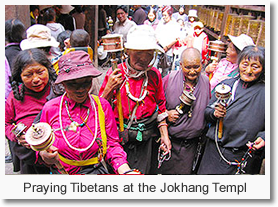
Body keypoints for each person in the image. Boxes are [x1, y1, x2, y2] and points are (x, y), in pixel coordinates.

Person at [38, 51, 138, 175]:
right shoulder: (51, 108)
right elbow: (42, 144)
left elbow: (112, 145)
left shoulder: (102, 106)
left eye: (86, 82)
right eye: (72, 84)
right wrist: (45, 155)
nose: (81, 89)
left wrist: (125, 171)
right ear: (63, 83)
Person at [99, 25, 171, 174]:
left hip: (146, 141)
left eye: (149, 53)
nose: (144, 59)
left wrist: (165, 136)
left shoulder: (154, 75)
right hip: (119, 142)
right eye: (138, 53)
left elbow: (161, 107)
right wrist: (109, 89)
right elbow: (99, 108)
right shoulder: (115, 74)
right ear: (128, 51)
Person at [198, 46, 265, 175]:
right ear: (239, 64)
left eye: (255, 67)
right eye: (245, 64)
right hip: (215, 152)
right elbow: (207, 111)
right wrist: (214, 113)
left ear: (262, 70)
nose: (248, 70)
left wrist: (264, 137)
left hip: (243, 154)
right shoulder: (227, 85)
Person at [154, 48, 210, 174]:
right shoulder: (169, 79)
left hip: (191, 145)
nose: (192, 71)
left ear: (202, 63)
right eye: (188, 67)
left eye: (196, 67)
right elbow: (155, 105)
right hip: (169, 141)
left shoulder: (206, 82)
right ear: (180, 65)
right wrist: (167, 114)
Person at [5, 48, 59, 174]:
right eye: (28, 75)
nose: (36, 79)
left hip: (60, 155)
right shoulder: (15, 97)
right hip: (30, 160)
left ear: (48, 70)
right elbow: (5, 123)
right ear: (20, 76)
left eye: (40, 72)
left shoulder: (58, 92)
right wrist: (17, 136)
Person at [155, 5, 180, 77]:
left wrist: (167, 47)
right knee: (155, 67)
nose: (164, 17)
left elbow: (176, 39)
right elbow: (156, 33)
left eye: (165, 15)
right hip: (159, 49)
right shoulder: (161, 22)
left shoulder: (175, 24)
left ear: (170, 15)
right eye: (163, 15)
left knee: (165, 71)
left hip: (168, 51)